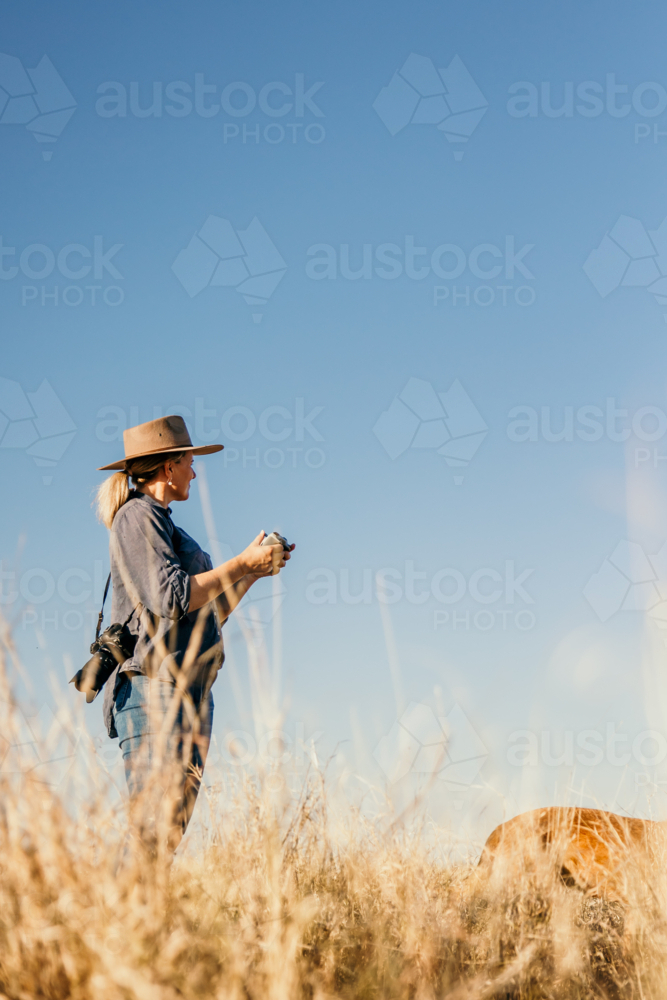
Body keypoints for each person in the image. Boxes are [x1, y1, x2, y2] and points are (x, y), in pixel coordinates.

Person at [94, 414, 293, 852]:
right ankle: (112, 917)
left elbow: (209, 612)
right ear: (169, 468)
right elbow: (172, 596)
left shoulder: (170, 529)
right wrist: (238, 563)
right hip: (153, 691)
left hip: (189, 693)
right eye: (188, 462)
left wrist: (253, 573)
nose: (194, 471)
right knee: (151, 833)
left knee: (165, 837)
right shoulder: (136, 518)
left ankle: (134, 918)